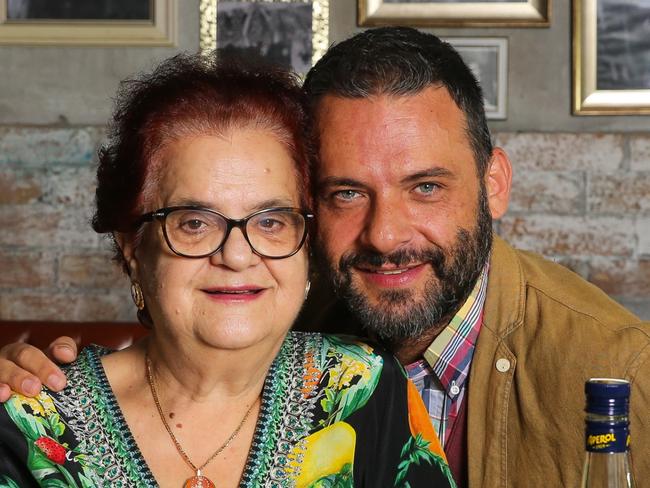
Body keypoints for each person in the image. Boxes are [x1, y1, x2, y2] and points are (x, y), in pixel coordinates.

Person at [2, 26, 649, 487]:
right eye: (346, 193)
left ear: (494, 184)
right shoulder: (275, 314)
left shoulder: (622, 375)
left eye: (425, 186)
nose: (386, 234)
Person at [0, 53, 454, 487]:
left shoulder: (363, 387)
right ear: (133, 249)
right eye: (194, 223)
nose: (236, 256)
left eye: (271, 221)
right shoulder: (28, 420)